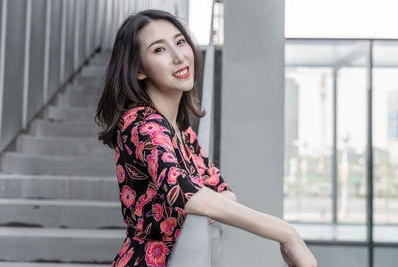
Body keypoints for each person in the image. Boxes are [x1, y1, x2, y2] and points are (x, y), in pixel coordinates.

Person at [95, 9, 317, 267]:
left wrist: (204, 200)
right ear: (138, 70)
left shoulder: (179, 127)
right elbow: (188, 194)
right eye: (159, 50)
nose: (179, 57)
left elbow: (222, 191)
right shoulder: (141, 123)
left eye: (180, 42)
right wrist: (285, 233)